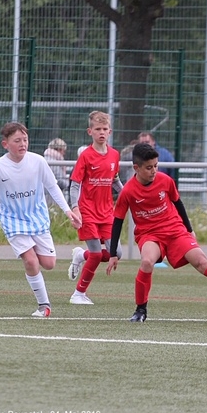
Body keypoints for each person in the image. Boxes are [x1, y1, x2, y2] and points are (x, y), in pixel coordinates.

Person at [106, 143, 207, 322]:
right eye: (149, 167)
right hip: (149, 234)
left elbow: (178, 203)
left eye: (156, 166)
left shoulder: (165, 181)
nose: (154, 171)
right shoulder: (128, 191)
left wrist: (189, 230)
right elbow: (118, 221)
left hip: (175, 230)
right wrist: (113, 254)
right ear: (136, 168)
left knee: (201, 261)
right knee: (147, 262)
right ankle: (140, 310)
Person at [0, 122, 81, 317]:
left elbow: (52, 187)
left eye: (25, 140)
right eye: (17, 140)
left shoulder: (38, 161)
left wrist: (68, 211)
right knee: (31, 261)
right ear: (5, 144)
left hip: (37, 218)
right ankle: (44, 306)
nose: (22, 144)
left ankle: (51, 258)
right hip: (12, 220)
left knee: (49, 264)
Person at [67, 111, 124, 305]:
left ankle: (80, 255)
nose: (101, 132)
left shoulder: (114, 155)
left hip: (107, 213)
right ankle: (78, 294)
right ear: (90, 131)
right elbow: (75, 185)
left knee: (117, 253)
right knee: (97, 254)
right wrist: (75, 208)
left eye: (105, 129)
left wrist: (128, 195)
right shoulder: (86, 156)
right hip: (88, 211)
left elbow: (115, 180)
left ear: (110, 132)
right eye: (98, 129)